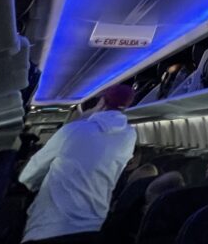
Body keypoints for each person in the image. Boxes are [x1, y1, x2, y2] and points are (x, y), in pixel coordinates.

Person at [18, 84, 137, 242]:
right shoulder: (129, 135)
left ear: (101, 102)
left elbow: (35, 168)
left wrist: (27, 183)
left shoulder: (73, 130)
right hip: (94, 223)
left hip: (52, 224)